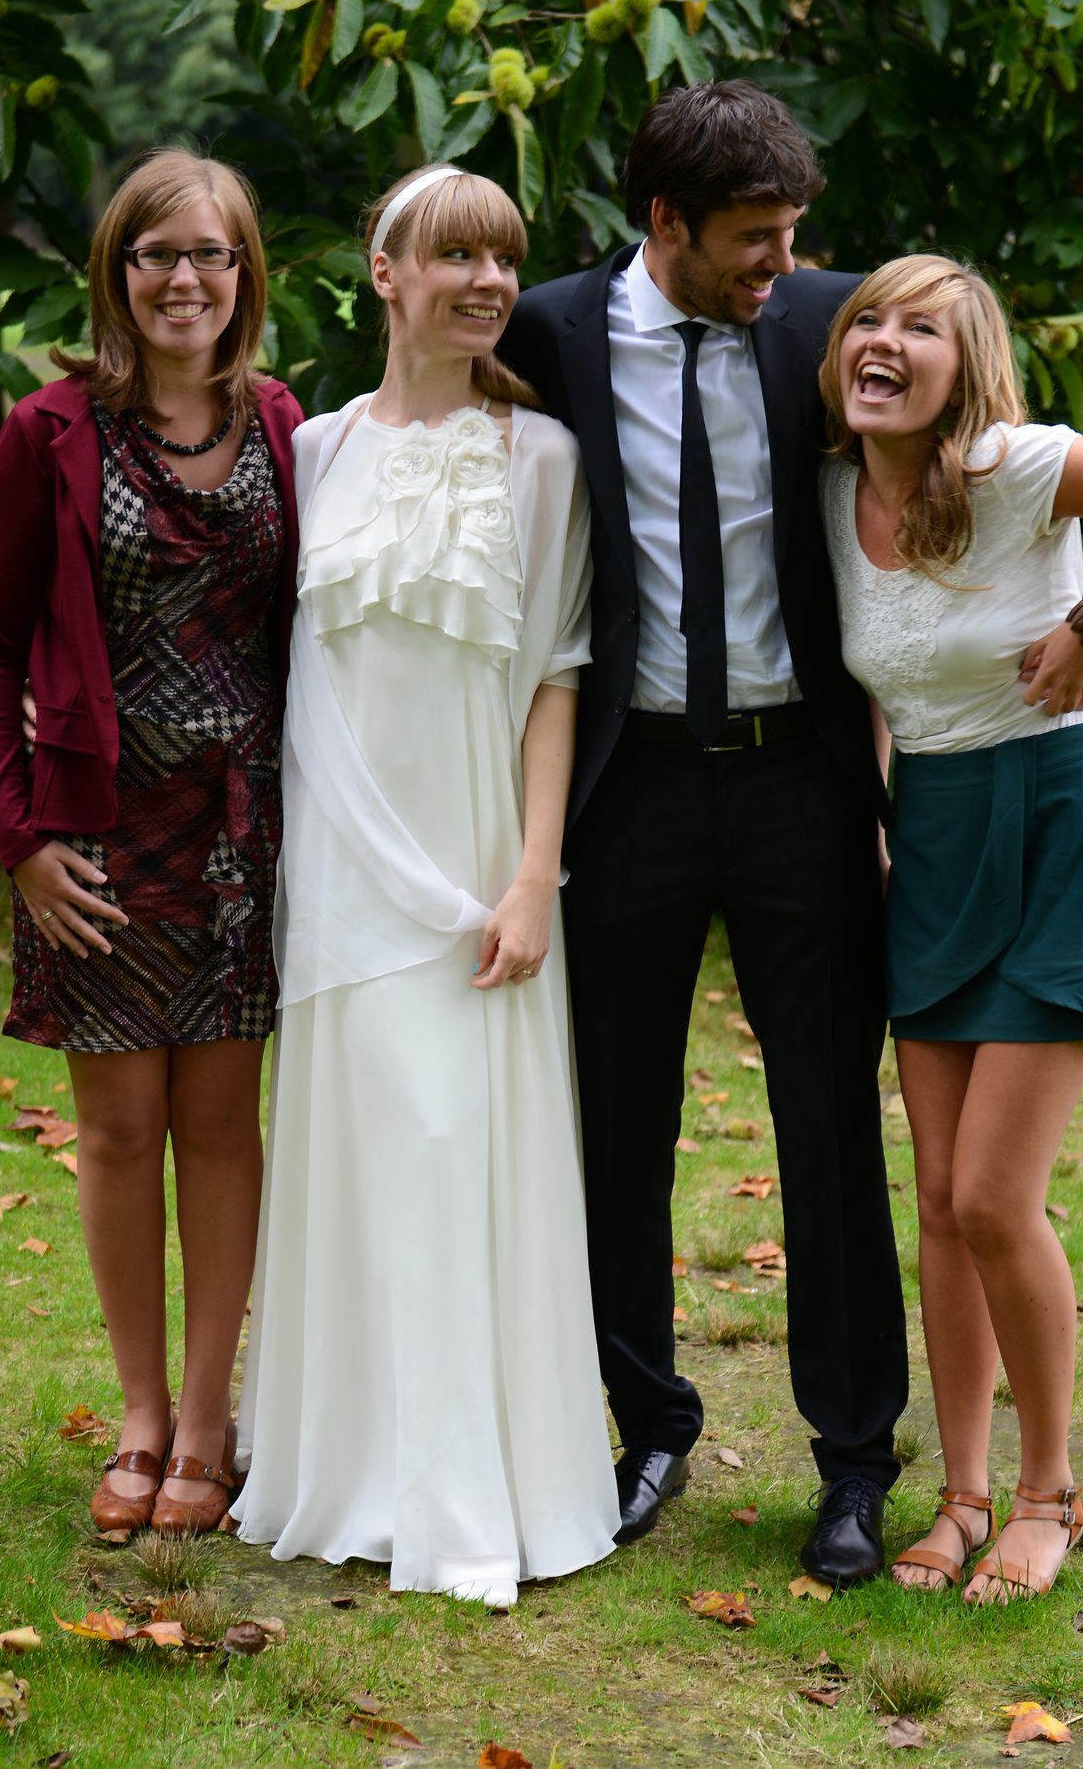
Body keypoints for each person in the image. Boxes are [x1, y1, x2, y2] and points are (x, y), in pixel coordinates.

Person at [498, 80, 908, 1584]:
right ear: (662, 225)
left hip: (801, 777)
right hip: (632, 786)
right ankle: (646, 1418)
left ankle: (855, 1458)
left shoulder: (833, 318)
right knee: (615, 1123)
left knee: (828, 1122)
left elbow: (961, 451)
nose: (780, 264)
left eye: (793, 232)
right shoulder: (543, 331)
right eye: (751, 238)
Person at [231, 165, 619, 1608]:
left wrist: (531, 876)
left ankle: (473, 1484)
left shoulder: (546, 460)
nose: (483, 282)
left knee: (459, 1143)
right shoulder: (315, 448)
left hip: (474, 858)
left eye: (502, 260)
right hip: (337, 857)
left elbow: (558, 680)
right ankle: (344, 1468)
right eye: (451, 255)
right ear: (383, 272)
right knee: (360, 1145)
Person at [816, 252, 1083, 1600]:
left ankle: (1052, 1491)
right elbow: (881, 672)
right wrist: (877, 815)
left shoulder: (1015, 465)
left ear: (964, 366)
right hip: (930, 836)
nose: (882, 341)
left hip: (1052, 817)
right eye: (868, 317)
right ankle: (968, 1493)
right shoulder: (832, 495)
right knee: (937, 1200)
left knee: (994, 1191)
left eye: (919, 328)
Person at [0, 149, 302, 1536]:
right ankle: (142, 1417)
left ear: (244, 275)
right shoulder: (45, 430)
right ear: (118, 272)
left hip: (242, 834)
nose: (184, 279)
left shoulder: (285, 422)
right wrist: (20, 840)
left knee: (221, 1129)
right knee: (116, 1133)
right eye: (157, 254)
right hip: (95, 839)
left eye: (211, 254)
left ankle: (213, 1423)